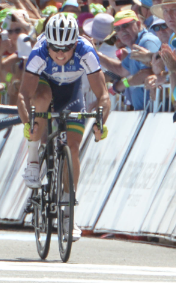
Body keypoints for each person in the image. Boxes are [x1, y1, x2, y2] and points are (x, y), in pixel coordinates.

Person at [18, 14, 110, 240]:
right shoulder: (38, 52)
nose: (60, 54)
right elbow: (22, 95)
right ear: (46, 42)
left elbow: (104, 97)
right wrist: (29, 125)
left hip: (71, 93)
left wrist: (100, 122)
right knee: (41, 98)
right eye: (55, 48)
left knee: (74, 147)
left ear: (75, 44)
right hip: (45, 86)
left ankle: (69, 214)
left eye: (66, 48)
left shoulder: (86, 51)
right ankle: (32, 159)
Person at [97, 10, 162, 110]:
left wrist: (123, 84)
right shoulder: (135, 45)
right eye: (118, 28)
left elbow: (148, 73)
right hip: (146, 111)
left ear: (138, 24)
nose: (122, 30)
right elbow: (121, 70)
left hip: (156, 111)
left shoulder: (147, 41)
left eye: (126, 25)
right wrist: (97, 55)